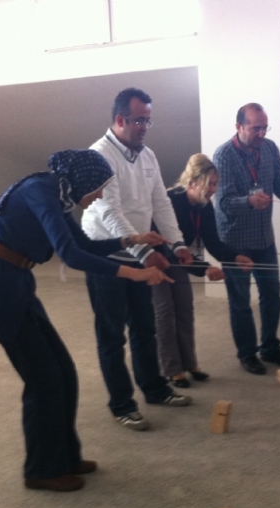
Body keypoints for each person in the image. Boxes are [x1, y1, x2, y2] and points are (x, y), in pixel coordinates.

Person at [0, 150, 171, 492]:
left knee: (63, 372)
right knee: (44, 381)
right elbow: (71, 255)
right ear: (84, 180)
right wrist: (134, 273)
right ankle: (41, 470)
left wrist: (131, 239)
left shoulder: (55, 193)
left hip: (17, 285)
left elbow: (83, 244)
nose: (99, 195)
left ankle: (65, 458)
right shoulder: (40, 190)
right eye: (99, 187)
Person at [81, 87, 194, 431]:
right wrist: (146, 254)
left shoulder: (148, 156)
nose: (145, 127)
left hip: (139, 252)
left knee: (145, 326)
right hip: (105, 256)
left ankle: (155, 389)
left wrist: (177, 244)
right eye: (139, 120)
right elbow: (110, 212)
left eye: (148, 120)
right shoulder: (99, 155)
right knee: (112, 335)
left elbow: (161, 202)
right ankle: (122, 405)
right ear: (120, 120)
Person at [213, 103, 280, 375]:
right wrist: (249, 201)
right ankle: (247, 353)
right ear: (239, 127)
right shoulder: (223, 155)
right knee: (240, 301)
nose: (261, 133)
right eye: (255, 128)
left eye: (264, 127)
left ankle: (270, 347)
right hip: (235, 241)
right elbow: (223, 202)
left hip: (264, 238)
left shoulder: (269, 148)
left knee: (272, 295)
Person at [153, 154, 255, 388]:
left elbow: (213, 241)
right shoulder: (171, 201)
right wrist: (205, 269)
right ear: (193, 182)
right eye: (210, 184)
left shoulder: (204, 205)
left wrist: (234, 257)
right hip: (156, 258)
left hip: (179, 258)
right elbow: (168, 245)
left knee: (185, 309)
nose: (213, 190)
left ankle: (190, 364)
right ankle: (172, 369)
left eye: (215, 184)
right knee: (165, 313)